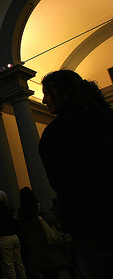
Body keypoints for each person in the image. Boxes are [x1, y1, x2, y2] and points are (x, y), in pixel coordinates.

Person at [39, 69, 113, 278]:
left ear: (64, 92)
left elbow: (57, 180)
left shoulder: (56, 132)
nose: (44, 100)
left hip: (90, 225)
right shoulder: (107, 118)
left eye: (48, 93)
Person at [17, 187, 67, 279]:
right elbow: (50, 220)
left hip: (35, 246)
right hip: (47, 241)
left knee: (45, 273)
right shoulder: (38, 207)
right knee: (54, 272)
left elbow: (22, 230)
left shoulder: (21, 213)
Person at [0, 190, 26, 279]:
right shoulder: (11, 209)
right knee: (19, 264)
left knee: (8, 265)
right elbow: (16, 223)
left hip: (4, 239)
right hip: (14, 237)